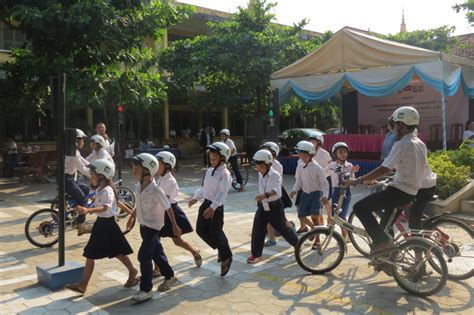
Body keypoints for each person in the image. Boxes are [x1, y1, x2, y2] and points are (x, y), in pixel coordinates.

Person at [346, 106, 427, 256]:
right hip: (410, 191)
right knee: (383, 227)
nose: (393, 129)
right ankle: (387, 258)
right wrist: (380, 180)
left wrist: (358, 180)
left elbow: (384, 168)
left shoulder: (402, 144)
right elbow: (404, 169)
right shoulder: (419, 143)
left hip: (398, 192)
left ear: (402, 125)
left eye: (395, 125)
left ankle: (385, 245)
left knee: (359, 207)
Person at [65, 159, 138, 295]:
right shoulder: (101, 189)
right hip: (102, 224)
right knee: (113, 252)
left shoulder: (107, 191)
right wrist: (130, 213)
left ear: (102, 176)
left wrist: (88, 211)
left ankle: (83, 285)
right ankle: (132, 271)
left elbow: (106, 207)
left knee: (95, 253)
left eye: (92, 174)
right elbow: (117, 203)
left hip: (108, 225)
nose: (90, 177)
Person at [126, 153, 181, 301]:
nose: (133, 171)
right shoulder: (138, 186)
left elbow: (168, 208)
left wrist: (175, 226)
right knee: (157, 253)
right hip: (143, 225)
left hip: (154, 227)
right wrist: (132, 218)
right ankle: (170, 276)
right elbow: (138, 204)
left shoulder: (156, 190)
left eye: (136, 168)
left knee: (144, 256)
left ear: (147, 171)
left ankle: (146, 289)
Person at [188, 142, 233, 277]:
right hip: (205, 204)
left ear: (223, 158)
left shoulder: (225, 174)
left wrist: (213, 207)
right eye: (210, 158)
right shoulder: (209, 171)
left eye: (214, 159)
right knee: (200, 230)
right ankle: (222, 249)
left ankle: (227, 256)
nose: (212, 161)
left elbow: (222, 192)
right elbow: (205, 188)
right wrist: (196, 197)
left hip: (216, 207)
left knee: (216, 232)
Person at [154, 151, 202, 275]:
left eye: (158, 164)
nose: (156, 167)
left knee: (177, 241)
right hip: (160, 212)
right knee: (154, 241)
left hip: (170, 213)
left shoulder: (170, 181)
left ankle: (194, 251)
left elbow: (165, 201)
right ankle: (157, 268)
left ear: (167, 166)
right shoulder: (160, 178)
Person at [247, 150, 299, 264]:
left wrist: (265, 195)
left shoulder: (275, 175)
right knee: (257, 230)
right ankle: (256, 255)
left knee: (283, 228)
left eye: (260, 165)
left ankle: (297, 244)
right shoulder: (260, 174)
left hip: (275, 207)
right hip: (263, 206)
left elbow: (278, 191)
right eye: (256, 165)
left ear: (268, 164)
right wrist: (261, 199)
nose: (258, 168)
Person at [289, 141, 330, 248]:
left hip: (316, 194)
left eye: (305, 156)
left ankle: (317, 241)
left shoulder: (317, 168)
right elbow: (298, 181)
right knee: (301, 215)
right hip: (305, 194)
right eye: (301, 155)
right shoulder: (300, 166)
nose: (303, 158)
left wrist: (325, 196)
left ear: (311, 155)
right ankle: (313, 229)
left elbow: (325, 184)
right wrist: (294, 190)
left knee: (315, 218)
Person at [260, 141, 295, 247]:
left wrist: (272, 195)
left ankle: (292, 231)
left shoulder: (277, 165)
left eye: (267, 150)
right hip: (265, 196)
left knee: (281, 220)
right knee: (268, 218)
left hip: (275, 196)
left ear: (274, 153)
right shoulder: (261, 163)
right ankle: (272, 238)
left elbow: (279, 182)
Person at [326, 142, 359, 240]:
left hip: (346, 192)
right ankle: (343, 234)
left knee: (342, 214)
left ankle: (346, 236)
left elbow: (353, 182)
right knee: (335, 215)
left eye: (345, 152)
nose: (343, 154)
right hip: (336, 191)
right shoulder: (331, 165)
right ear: (335, 154)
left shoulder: (349, 165)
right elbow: (322, 174)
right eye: (340, 152)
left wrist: (352, 172)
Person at [65, 129, 92, 236]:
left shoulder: (73, 151)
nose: (83, 143)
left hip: (69, 179)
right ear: (76, 141)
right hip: (67, 181)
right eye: (82, 140)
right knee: (83, 199)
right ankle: (81, 226)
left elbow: (84, 162)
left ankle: (76, 210)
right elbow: (83, 169)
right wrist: (96, 176)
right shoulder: (72, 154)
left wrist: (95, 166)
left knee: (86, 189)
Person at [308, 133, 332, 227]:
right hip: (314, 180)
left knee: (326, 200)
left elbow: (331, 165)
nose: (311, 143)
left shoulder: (324, 153)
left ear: (319, 143)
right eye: (310, 141)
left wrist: (323, 173)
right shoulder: (309, 152)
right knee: (317, 201)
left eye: (313, 141)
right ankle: (320, 219)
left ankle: (329, 217)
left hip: (325, 179)